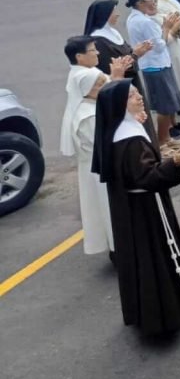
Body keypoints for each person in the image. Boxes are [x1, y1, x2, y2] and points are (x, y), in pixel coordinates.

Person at [92, 80, 180, 336]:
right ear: (119, 105)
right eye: (131, 96)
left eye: (137, 92)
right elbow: (145, 178)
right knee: (155, 257)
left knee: (141, 259)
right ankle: (166, 314)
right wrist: (173, 163)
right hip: (146, 211)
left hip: (132, 209)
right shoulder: (129, 141)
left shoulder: (119, 132)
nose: (139, 97)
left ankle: (148, 312)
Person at [61, 37, 123, 257]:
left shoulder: (87, 92)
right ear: (79, 56)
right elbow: (106, 142)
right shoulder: (87, 115)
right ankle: (119, 251)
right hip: (101, 172)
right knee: (108, 211)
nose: (97, 53)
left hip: (101, 168)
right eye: (99, 84)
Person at [125, 0, 180, 153]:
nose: (154, 2)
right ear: (140, 3)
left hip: (153, 65)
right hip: (156, 65)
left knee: (167, 102)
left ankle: (167, 138)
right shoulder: (145, 22)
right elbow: (160, 45)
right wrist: (167, 27)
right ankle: (162, 142)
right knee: (164, 105)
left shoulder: (134, 18)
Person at [83, 0, 157, 140]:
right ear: (104, 15)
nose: (117, 14)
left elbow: (126, 55)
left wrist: (136, 52)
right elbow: (112, 68)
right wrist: (136, 54)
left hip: (132, 83)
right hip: (121, 90)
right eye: (113, 11)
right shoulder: (98, 41)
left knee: (142, 117)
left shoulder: (113, 33)